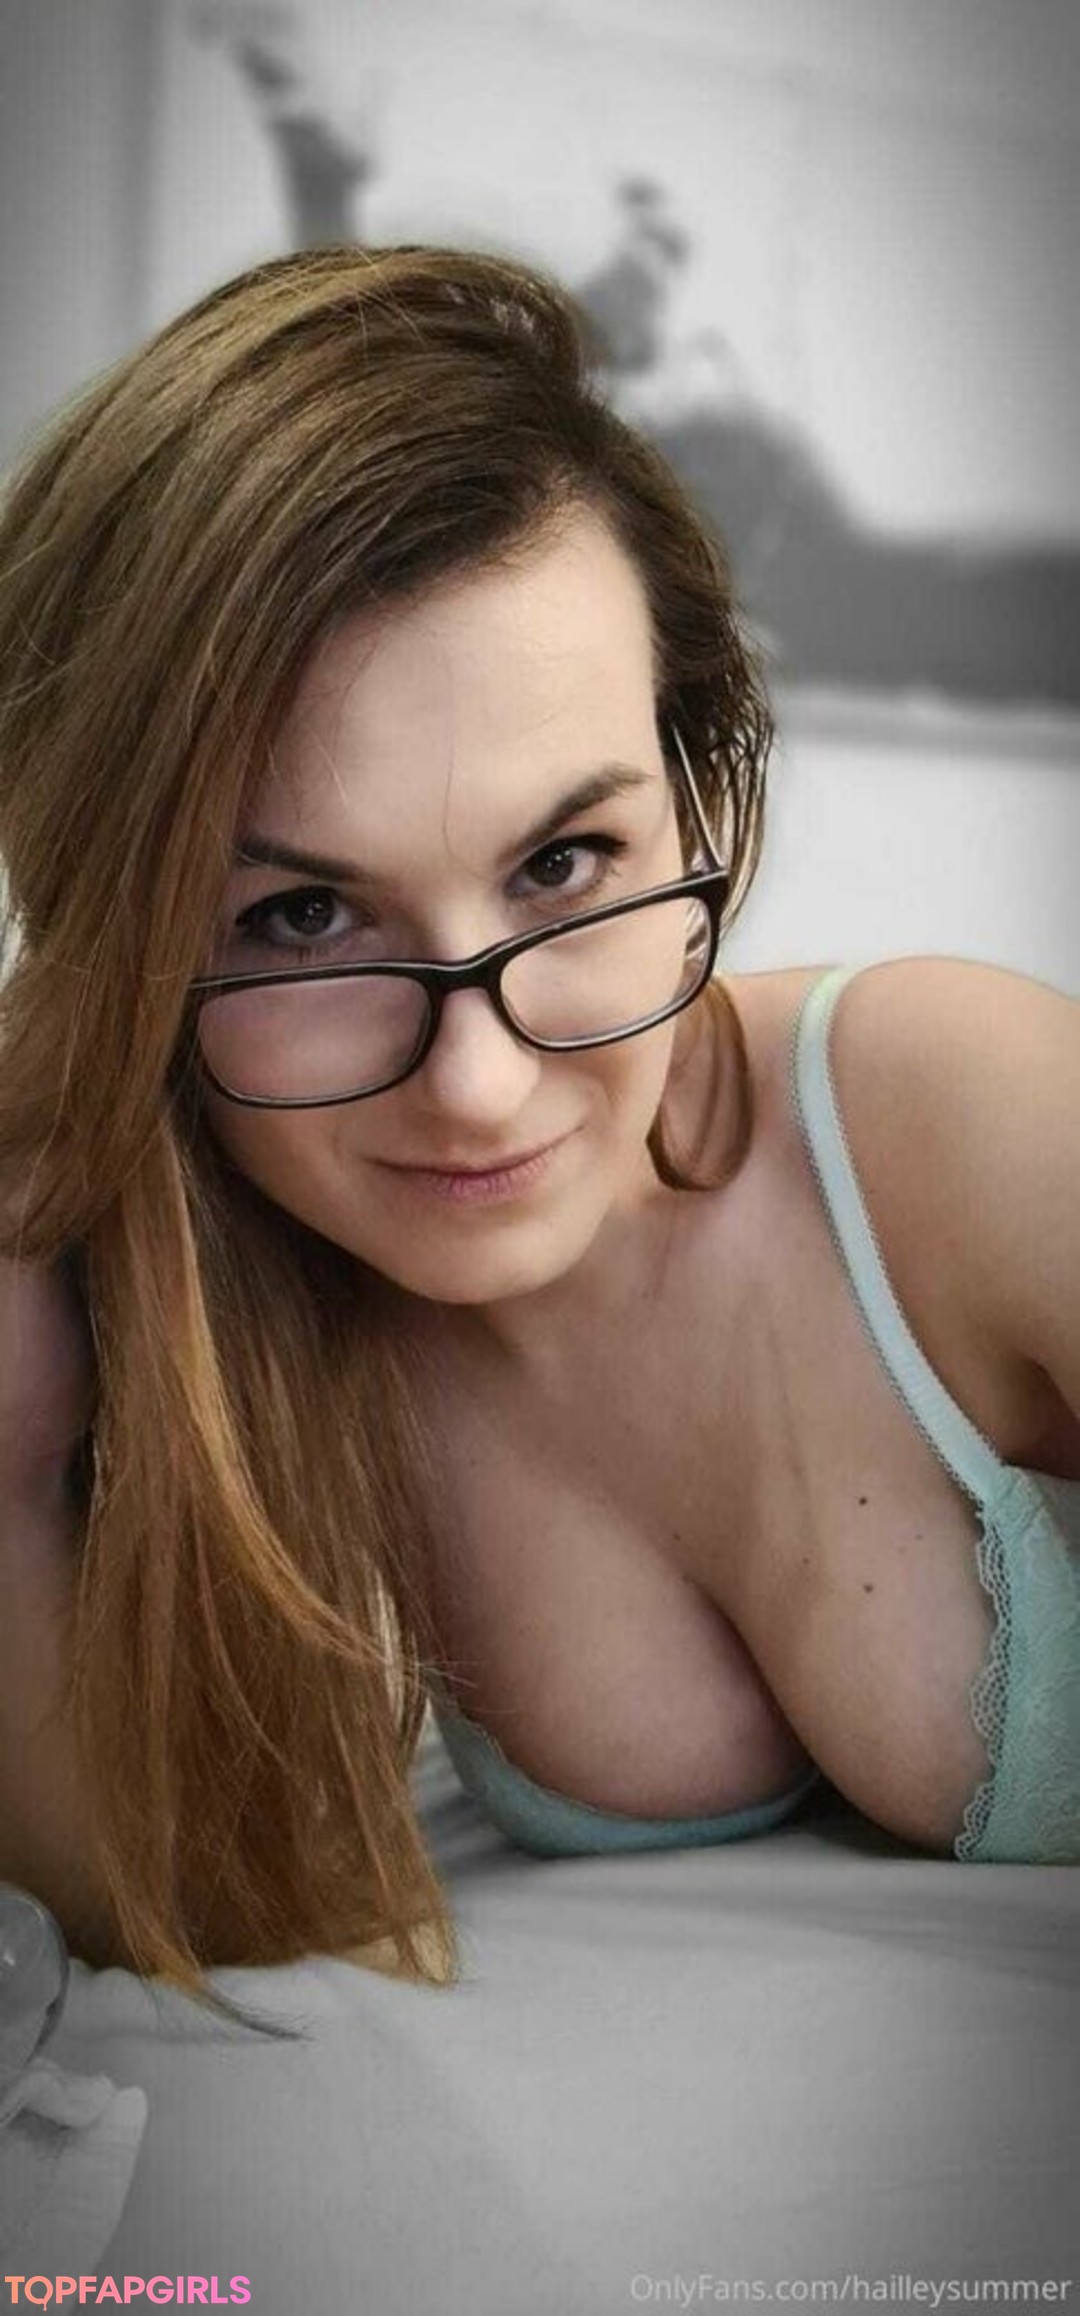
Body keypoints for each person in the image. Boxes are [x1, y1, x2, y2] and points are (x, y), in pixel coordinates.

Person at [0, 246, 1077, 2033]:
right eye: (301, 919)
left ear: (692, 789)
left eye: (563, 864)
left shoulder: (956, 1113)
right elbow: (160, 1911)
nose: (481, 1087)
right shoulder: (255, 1304)